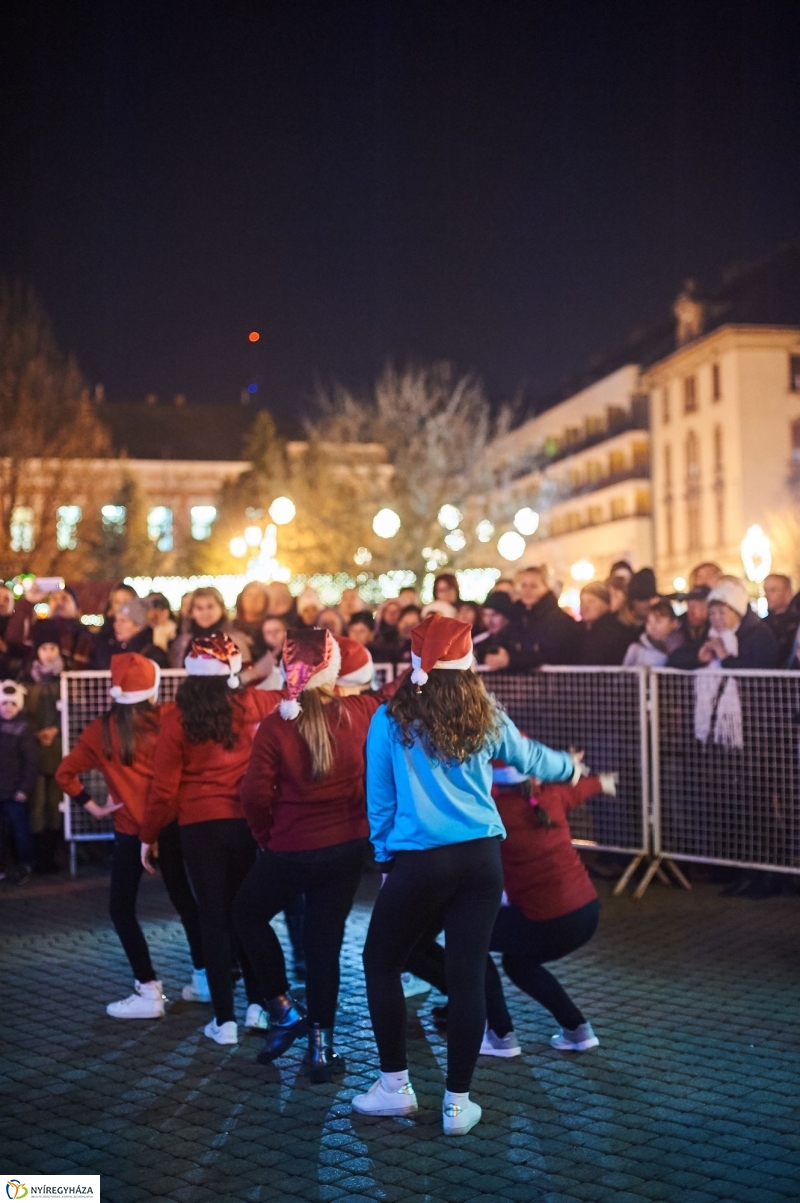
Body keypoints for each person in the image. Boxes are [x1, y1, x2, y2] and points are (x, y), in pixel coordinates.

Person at [354, 614, 582, 1136]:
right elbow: (530, 759)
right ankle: (458, 1105)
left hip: (420, 860)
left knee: (380, 960)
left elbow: (381, 801)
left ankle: (395, 1087)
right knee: (468, 970)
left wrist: (386, 859)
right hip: (482, 860)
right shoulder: (484, 712)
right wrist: (570, 768)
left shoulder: (389, 718)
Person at [234, 630, 397, 1082]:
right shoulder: (361, 712)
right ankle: (321, 1052)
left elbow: (252, 794)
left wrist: (266, 836)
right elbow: (392, 689)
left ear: (289, 669)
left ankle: (282, 1009)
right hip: (346, 847)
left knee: (246, 915)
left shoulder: (275, 724)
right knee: (324, 944)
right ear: (334, 668)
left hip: (290, 848)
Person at [140, 633, 285, 1044]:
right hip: (243, 824)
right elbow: (289, 696)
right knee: (248, 916)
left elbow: (164, 789)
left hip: (197, 829)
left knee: (214, 920)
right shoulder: (250, 703)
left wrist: (147, 835)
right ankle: (259, 1006)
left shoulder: (176, 716)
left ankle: (224, 1022)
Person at [419, 758, 618, 1055]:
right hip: (586, 912)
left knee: (470, 937)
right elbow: (580, 789)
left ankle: (500, 1034)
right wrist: (601, 782)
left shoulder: (494, 813)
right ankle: (577, 1030)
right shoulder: (550, 795)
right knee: (519, 963)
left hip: (548, 919)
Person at [56, 654, 207, 1018]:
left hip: (128, 829)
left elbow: (65, 773)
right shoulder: (171, 715)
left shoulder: (100, 730)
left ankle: (148, 990)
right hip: (172, 822)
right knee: (186, 900)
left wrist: (93, 807)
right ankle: (205, 978)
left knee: (121, 908)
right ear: (153, 686)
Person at [20, 620, 64, 873]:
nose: (49, 652)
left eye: (53, 647)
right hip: (35, 752)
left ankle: (52, 853)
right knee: (37, 804)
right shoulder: (27, 680)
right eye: (44, 647)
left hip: (58, 750)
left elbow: (73, 709)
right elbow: (20, 711)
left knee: (55, 802)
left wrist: (55, 729)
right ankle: (39, 856)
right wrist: (37, 732)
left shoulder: (65, 679)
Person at [484, 566, 577, 672]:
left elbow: (551, 654)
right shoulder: (517, 617)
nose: (527, 590)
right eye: (523, 585)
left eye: (534, 586)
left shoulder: (560, 621)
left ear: (547, 588)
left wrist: (511, 660)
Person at [0, 680, 37, 884]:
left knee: (21, 830)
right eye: (4, 703)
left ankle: (25, 865)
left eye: (12, 704)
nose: (8, 708)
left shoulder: (24, 728)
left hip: (15, 790)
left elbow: (31, 761)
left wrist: (24, 787)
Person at [170, 586, 250, 668]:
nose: (205, 613)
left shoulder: (235, 641)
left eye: (210, 607)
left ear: (221, 609)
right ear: (192, 612)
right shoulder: (181, 644)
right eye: (199, 608)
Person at [90, 597, 169, 670]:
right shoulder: (106, 652)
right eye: (116, 620)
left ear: (138, 626)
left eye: (123, 621)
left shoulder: (154, 655)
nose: (117, 625)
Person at [574, 582, 635, 665]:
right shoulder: (574, 631)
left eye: (591, 601)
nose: (585, 606)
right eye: (582, 601)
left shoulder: (615, 633)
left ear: (606, 604)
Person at [623, 601, 684, 667]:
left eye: (658, 621)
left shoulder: (682, 650)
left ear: (674, 623)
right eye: (649, 622)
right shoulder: (636, 649)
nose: (652, 626)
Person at [668, 585, 711, 669]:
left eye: (696, 606)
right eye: (689, 606)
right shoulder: (679, 626)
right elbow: (673, 657)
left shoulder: (715, 629)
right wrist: (696, 657)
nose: (691, 611)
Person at [763, 574, 798, 666]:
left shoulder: (796, 625)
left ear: (788, 592)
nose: (767, 595)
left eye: (773, 590)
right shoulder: (761, 625)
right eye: (765, 590)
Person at [473, 590, 515, 666]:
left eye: (494, 615)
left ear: (506, 617)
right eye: (485, 615)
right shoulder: (478, 642)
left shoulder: (517, 642)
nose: (489, 621)